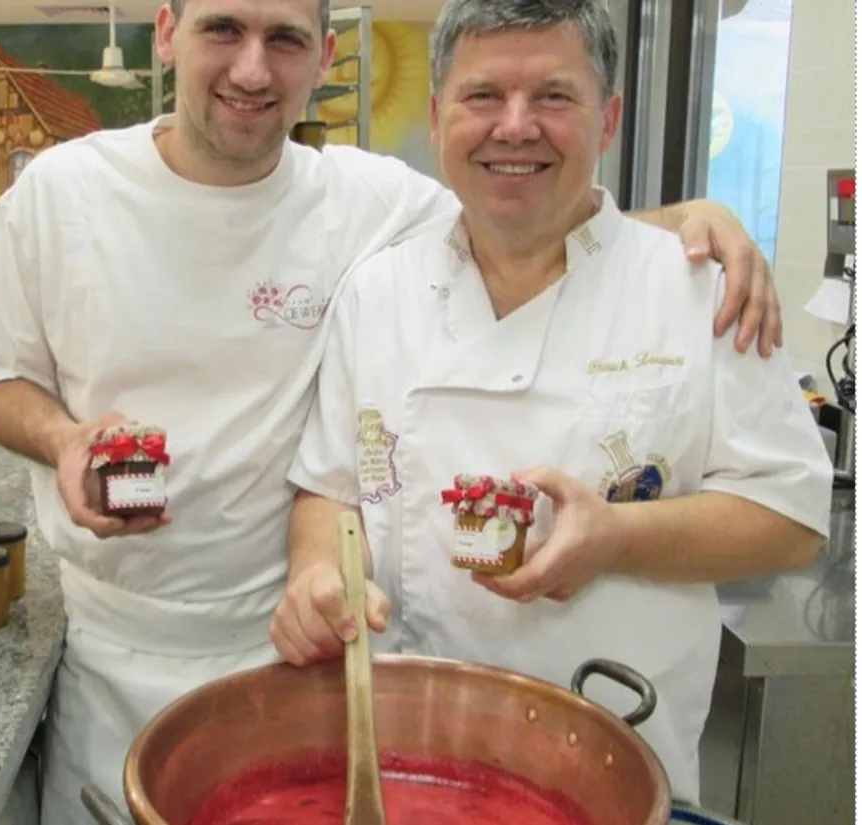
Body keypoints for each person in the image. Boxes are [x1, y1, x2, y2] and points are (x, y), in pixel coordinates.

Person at [0, 0, 783, 821]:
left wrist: (689, 225)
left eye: (285, 39)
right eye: (222, 29)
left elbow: (527, 211)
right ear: (166, 34)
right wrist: (60, 438)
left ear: (321, 58)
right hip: (121, 640)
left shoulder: (366, 200)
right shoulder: (61, 193)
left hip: (306, 655)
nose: (251, 67)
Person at [273, 0, 833, 807]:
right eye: (483, 96)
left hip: (615, 760)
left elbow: (790, 517)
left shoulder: (700, 289)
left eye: (553, 97)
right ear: (437, 119)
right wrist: (318, 574)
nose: (515, 126)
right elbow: (331, 488)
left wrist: (614, 536)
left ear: (607, 120)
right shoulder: (377, 293)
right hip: (407, 760)